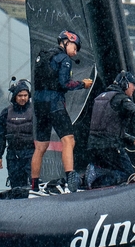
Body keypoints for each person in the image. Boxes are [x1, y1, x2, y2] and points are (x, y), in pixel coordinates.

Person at [29, 31, 90, 190]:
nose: (75, 52)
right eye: (75, 48)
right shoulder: (65, 59)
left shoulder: (42, 57)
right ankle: (71, 178)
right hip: (54, 103)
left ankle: (34, 185)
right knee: (68, 140)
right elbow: (65, 84)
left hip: (38, 103)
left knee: (40, 146)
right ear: (66, 42)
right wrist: (83, 84)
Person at [84, 70, 135, 187]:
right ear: (125, 84)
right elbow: (134, 113)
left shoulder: (102, 97)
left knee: (114, 171)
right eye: (133, 85)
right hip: (111, 147)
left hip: (94, 146)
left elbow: (107, 129)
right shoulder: (121, 99)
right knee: (129, 176)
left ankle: (94, 173)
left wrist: (134, 140)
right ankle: (96, 178)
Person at [0, 80, 38, 189]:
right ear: (15, 97)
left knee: (32, 183)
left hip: (30, 153)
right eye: (20, 96)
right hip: (13, 154)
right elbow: (1, 135)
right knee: (16, 185)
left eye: (25, 95)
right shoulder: (6, 112)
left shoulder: (35, 111)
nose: (23, 98)